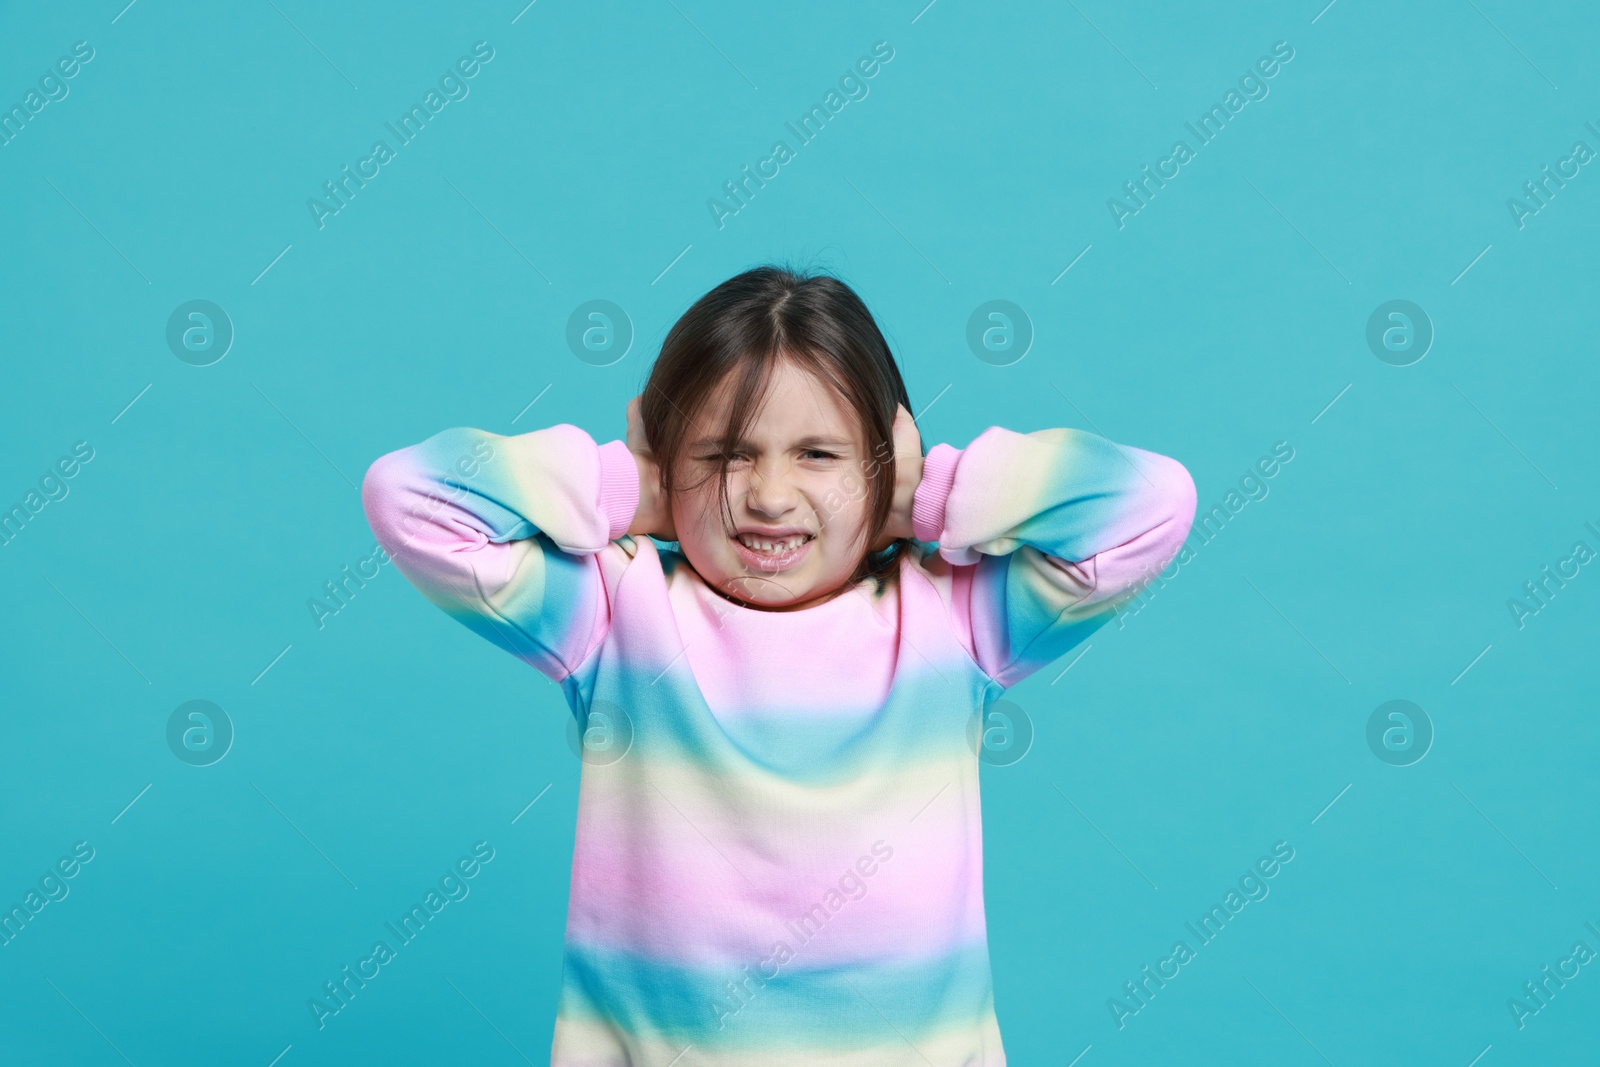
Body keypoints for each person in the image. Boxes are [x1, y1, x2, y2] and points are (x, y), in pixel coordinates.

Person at [361, 265, 1196, 1065]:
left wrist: (929, 494)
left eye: (820, 455)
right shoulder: (614, 615)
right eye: (724, 454)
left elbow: (1150, 509)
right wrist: (631, 489)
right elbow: (410, 497)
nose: (767, 494)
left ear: (883, 461)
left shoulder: (950, 617)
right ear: (666, 455)